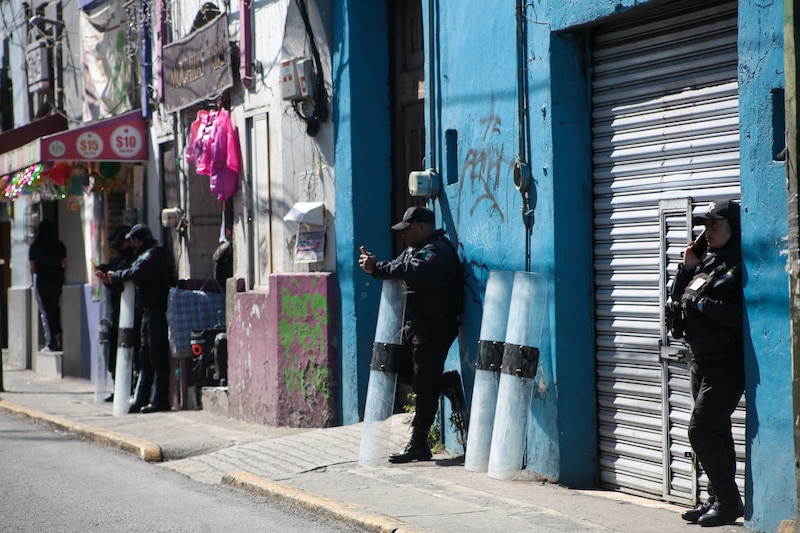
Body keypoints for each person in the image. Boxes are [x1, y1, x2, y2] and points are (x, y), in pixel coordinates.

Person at [358, 206, 467, 463]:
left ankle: (419, 443)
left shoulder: (437, 251)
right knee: (396, 367)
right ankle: (445, 383)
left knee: (424, 382)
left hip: (435, 325)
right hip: (414, 325)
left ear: (421, 226)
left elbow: (413, 271)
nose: (404, 235)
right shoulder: (413, 250)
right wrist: (375, 266)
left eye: (407, 229)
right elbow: (396, 267)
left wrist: (378, 268)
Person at [670, 199, 745, 527]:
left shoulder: (740, 265)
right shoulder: (706, 263)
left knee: (701, 430)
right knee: (716, 431)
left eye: (714, 224)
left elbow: (741, 315)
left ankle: (728, 502)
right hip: (700, 358)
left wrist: (704, 305)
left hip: (726, 362)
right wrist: (686, 268)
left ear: (733, 226)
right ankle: (717, 498)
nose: (707, 231)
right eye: (704, 226)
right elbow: (678, 300)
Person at [96, 224, 173, 414]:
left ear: (141, 239)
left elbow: (137, 272)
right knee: (144, 357)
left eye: (135, 240)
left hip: (156, 311)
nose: (134, 244)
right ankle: (141, 399)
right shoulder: (144, 255)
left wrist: (115, 277)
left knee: (156, 357)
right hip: (147, 311)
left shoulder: (153, 254)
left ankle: (159, 400)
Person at [95, 225, 137, 402]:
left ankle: (131, 389)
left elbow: (123, 280)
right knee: (114, 355)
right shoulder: (120, 260)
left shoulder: (133, 260)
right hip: (117, 315)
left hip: (130, 314)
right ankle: (118, 387)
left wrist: (111, 279)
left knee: (131, 356)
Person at [29, 220, 67, 352]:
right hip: (57, 278)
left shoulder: (35, 247)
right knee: (55, 307)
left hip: (42, 279)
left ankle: (50, 342)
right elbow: (65, 265)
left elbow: (33, 267)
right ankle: (58, 333)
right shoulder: (59, 245)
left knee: (45, 310)